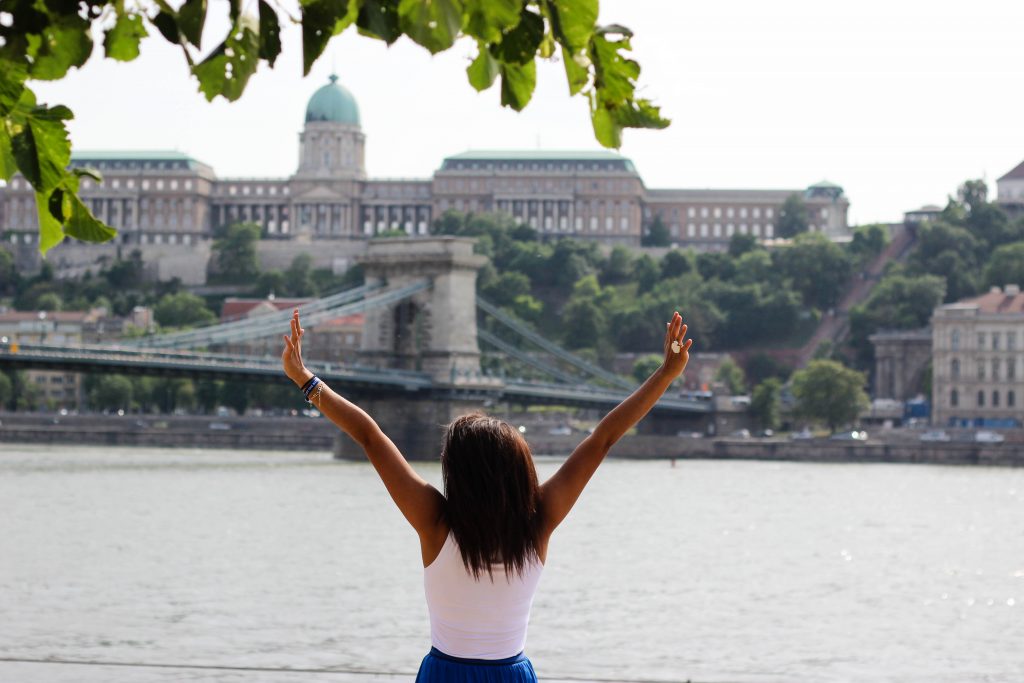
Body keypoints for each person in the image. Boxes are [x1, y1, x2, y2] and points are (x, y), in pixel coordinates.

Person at [281, 309, 692, 682]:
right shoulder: (539, 522)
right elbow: (603, 439)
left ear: (457, 473)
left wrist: (306, 380)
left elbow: (370, 437)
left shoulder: (434, 523)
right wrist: (665, 375)